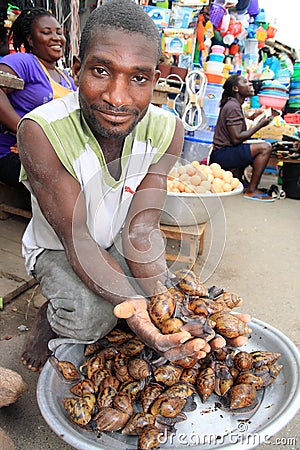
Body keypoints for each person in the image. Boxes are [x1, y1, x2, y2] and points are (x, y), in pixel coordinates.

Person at [18, 0, 250, 372]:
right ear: (77, 70)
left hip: (119, 240)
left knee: (166, 295)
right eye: (100, 71)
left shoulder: (167, 130)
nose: (118, 97)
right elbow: (78, 237)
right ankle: (54, 313)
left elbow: (141, 230)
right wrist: (140, 320)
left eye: (138, 78)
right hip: (59, 246)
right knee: (93, 316)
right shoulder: (40, 131)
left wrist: (172, 307)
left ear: (155, 81)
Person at [0, 7, 76, 193]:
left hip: (52, 155)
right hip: (13, 153)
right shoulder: (23, 62)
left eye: (59, 32)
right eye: (46, 32)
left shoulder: (65, 78)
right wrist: (27, 135)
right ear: (30, 40)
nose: (57, 37)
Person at [210, 74, 274, 202]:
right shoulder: (233, 106)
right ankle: (251, 190)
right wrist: (260, 125)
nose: (250, 84)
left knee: (256, 146)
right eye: (245, 82)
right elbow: (236, 138)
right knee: (265, 147)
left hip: (222, 153)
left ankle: (242, 181)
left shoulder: (233, 105)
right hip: (223, 155)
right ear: (236, 88)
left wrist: (252, 118)